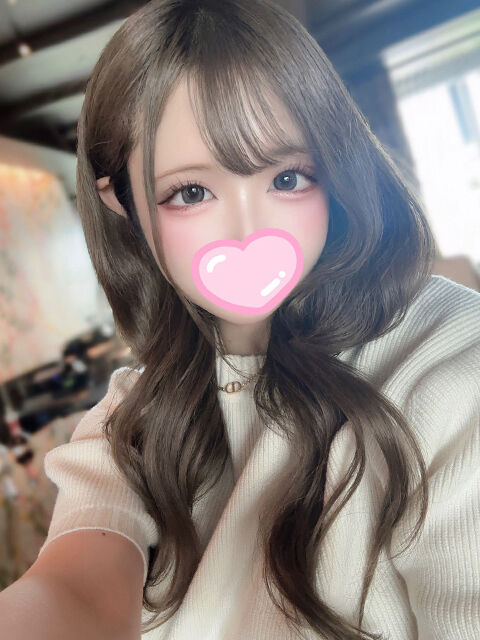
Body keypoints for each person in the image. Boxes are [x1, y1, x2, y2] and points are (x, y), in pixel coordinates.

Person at [2, 1, 479, 639]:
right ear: (123, 204)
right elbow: (76, 588)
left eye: (289, 178)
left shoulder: (446, 361)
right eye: (190, 192)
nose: (250, 231)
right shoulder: (135, 413)